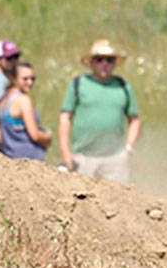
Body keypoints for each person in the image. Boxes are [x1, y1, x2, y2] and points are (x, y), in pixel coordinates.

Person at [58, 39, 141, 183]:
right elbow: (65, 117)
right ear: (91, 63)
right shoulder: (78, 84)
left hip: (115, 159)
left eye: (109, 60)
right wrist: (65, 152)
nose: (104, 64)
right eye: (99, 59)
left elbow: (134, 119)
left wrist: (128, 149)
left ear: (114, 63)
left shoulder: (122, 86)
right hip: (84, 158)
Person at [0, 61, 52, 161]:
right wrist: (47, 136)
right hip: (29, 158)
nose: (30, 82)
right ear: (14, 79)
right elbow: (34, 135)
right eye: (25, 79)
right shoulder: (23, 100)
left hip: (10, 156)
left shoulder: (3, 100)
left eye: (32, 79)